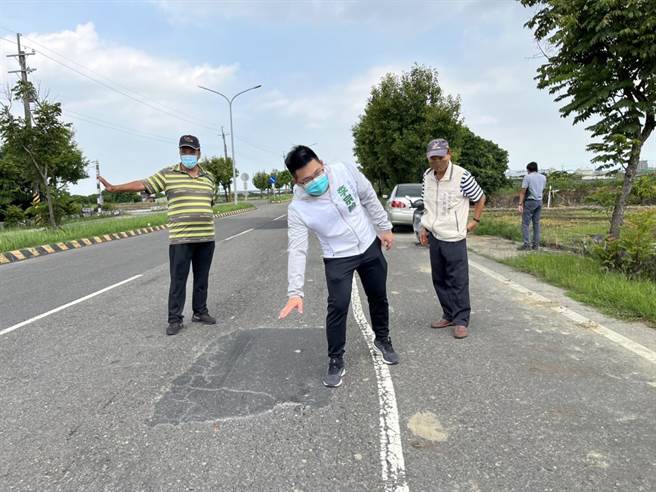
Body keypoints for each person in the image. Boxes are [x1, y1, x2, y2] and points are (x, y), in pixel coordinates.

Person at [278, 145, 398, 388]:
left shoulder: (344, 171)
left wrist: (384, 227)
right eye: (307, 179)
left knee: (378, 296)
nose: (315, 181)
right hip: (337, 257)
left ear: (322, 162)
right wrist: (295, 292)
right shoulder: (298, 208)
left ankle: (383, 339)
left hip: (367, 244)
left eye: (317, 172)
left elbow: (368, 197)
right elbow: (298, 248)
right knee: (338, 307)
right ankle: (335, 358)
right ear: (297, 181)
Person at [98, 135, 217, 336]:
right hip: (181, 239)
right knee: (178, 279)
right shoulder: (168, 174)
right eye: (184, 151)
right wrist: (114, 188)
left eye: (191, 151)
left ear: (199, 153)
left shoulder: (209, 178)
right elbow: (143, 184)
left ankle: (200, 311)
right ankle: (174, 319)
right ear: (180, 152)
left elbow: (210, 203)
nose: (187, 154)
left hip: (206, 237)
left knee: (202, 278)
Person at [419, 138, 486, 339]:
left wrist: (476, 220)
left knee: (458, 280)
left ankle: (461, 320)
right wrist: (424, 227)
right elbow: (427, 204)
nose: (436, 162)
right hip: (435, 235)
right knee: (439, 278)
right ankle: (448, 314)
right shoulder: (427, 176)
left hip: (455, 236)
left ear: (449, 154)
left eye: (440, 157)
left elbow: (480, 197)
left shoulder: (462, 176)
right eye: (432, 158)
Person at [518, 161, 546, 251]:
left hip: (530, 202)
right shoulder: (543, 177)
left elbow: (523, 191)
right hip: (539, 201)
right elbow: (543, 189)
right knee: (536, 224)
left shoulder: (527, 177)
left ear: (529, 169)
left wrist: (520, 204)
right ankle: (536, 245)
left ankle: (526, 245)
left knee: (525, 224)